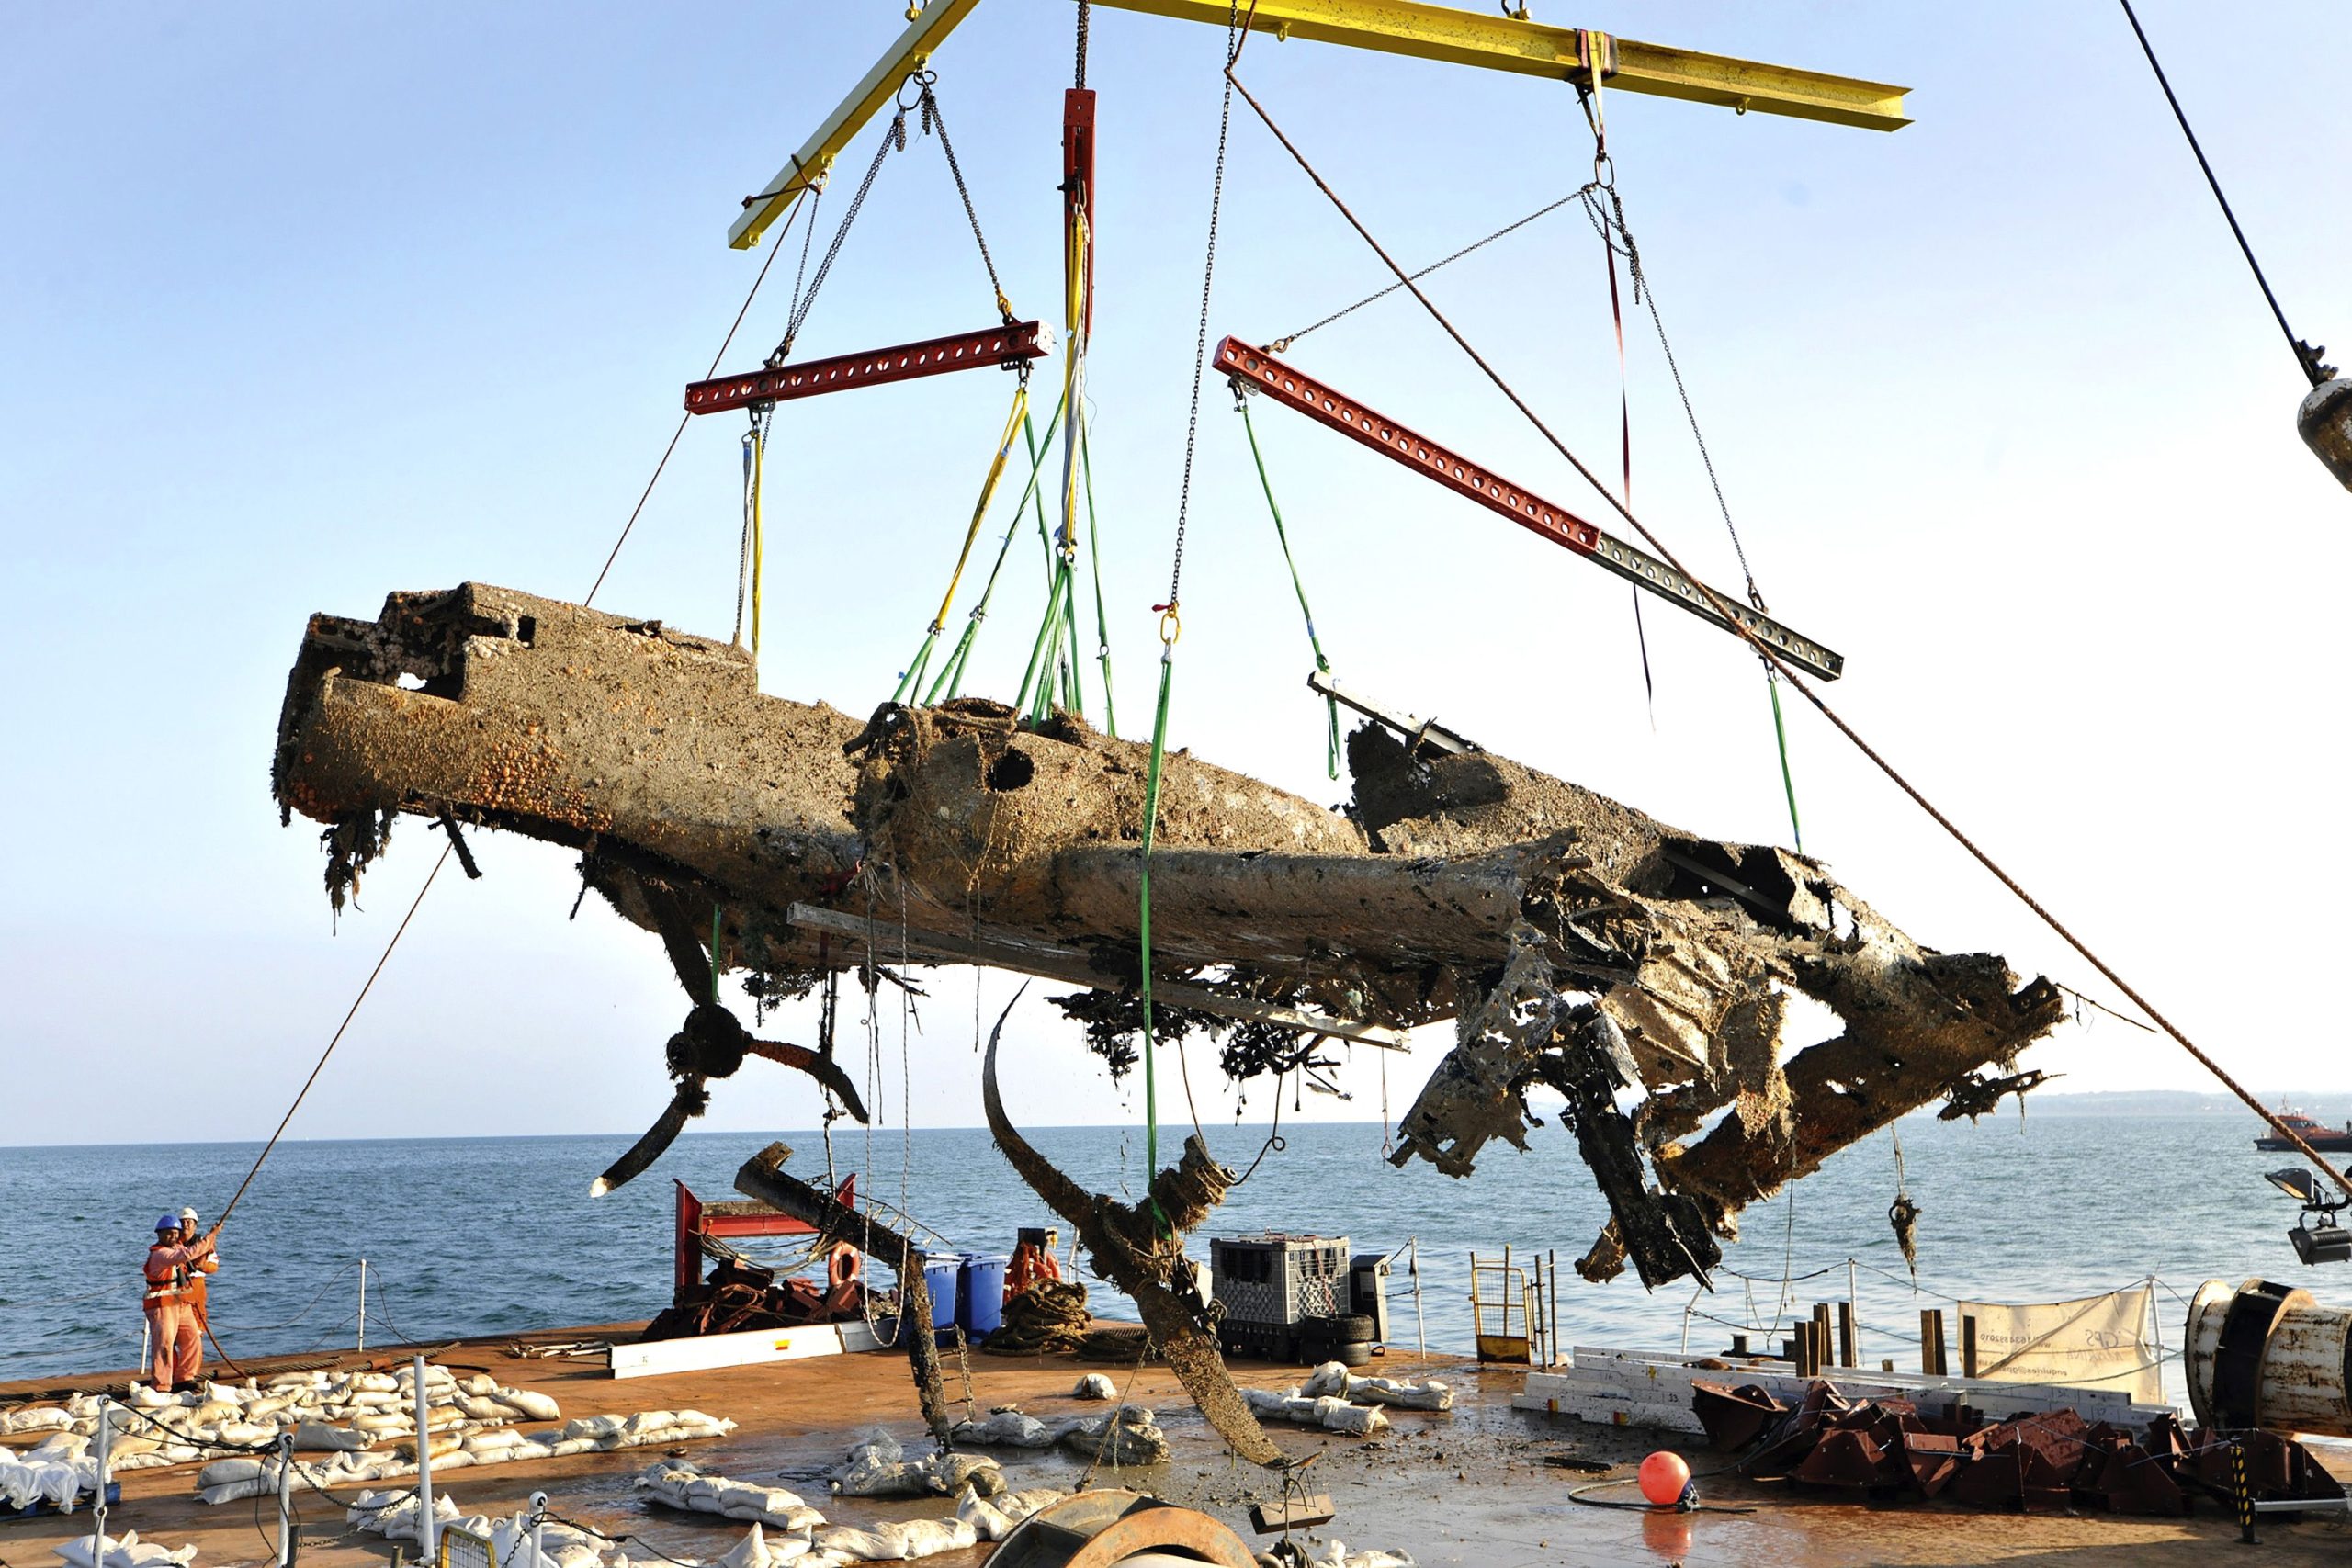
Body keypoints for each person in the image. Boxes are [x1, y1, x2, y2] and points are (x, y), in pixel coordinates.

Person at [143, 1215, 218, 1393]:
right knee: (164, 1344)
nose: (173, 1236)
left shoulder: (177, 1247)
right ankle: (161, 1385)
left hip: (181, 1303)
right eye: (168, 1233)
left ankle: (185, 1378)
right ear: (159, 1234)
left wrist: (203, 1255)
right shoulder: (160, 1254)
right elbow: (186, 1254)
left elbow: (191, 1257)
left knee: (192, 1338)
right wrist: (212, 1235)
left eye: (176, 1233)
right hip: (162, 1305)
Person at [176, 1206, 220, 1340]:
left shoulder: (204, 1243)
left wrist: (202, 1266)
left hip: (196, 1288)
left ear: (195, 1225)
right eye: (183, 1221)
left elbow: (214, 1266)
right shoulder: (172, 1243)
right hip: (176, 1289)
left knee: (197, 1329)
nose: (186, 1224)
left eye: (189, 1221)